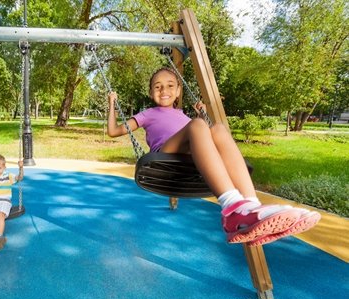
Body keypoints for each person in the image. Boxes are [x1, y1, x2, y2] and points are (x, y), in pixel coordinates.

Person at [107, 67, 320, 246]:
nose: (164, 90)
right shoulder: (148, 114)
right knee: (199, 125)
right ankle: (231, 207)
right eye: (158, 86)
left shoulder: (184, 116)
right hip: (163, 158)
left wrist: (201, 115)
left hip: (190, 162)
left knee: (217, 128)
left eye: (170, 85)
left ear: (179, 90)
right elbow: (113, 131)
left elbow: (202, 140)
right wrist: (112, 103)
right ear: (150, 92)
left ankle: (251, 207)